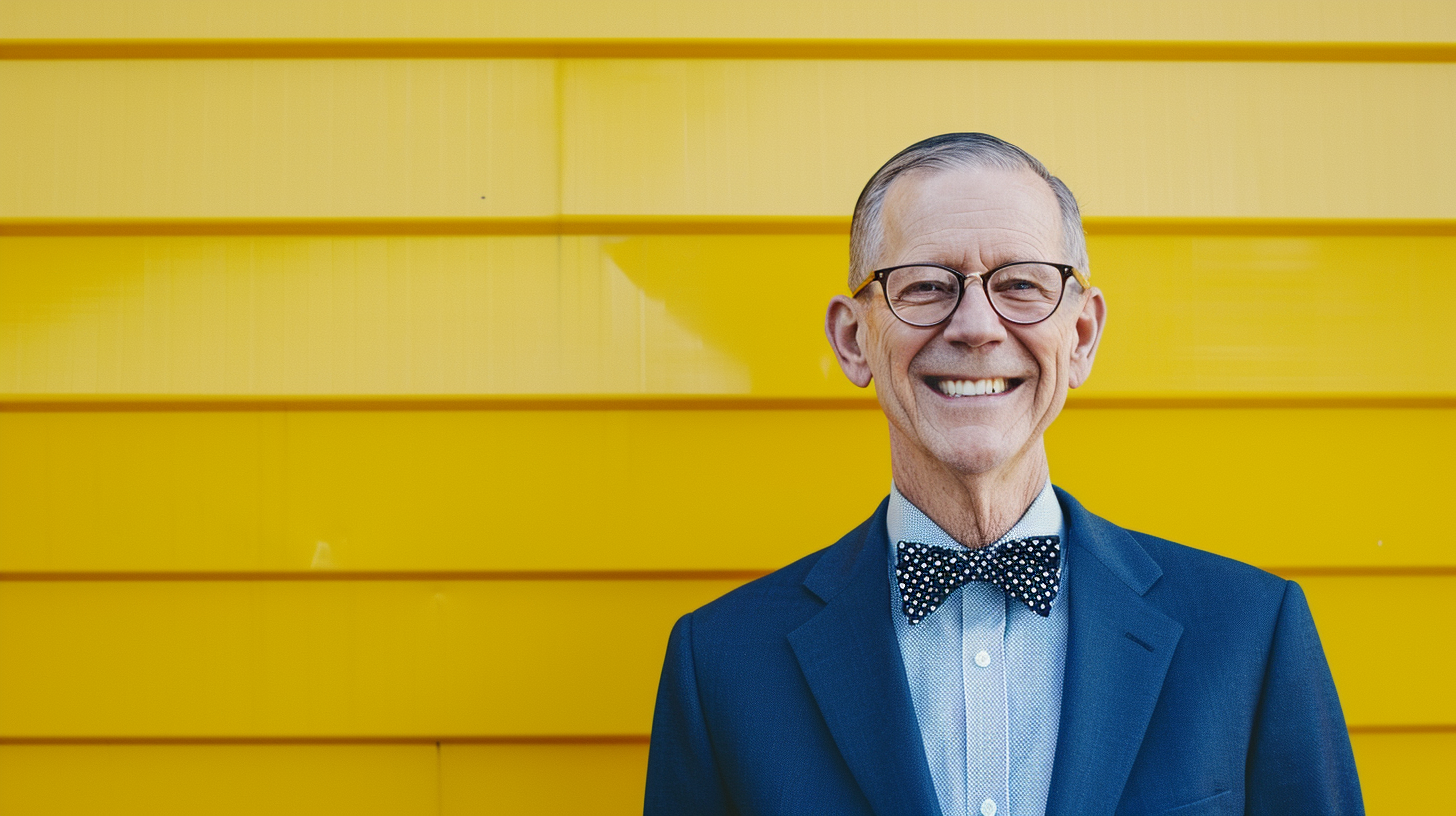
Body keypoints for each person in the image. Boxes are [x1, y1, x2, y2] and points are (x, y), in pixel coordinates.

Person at [643, 133, 1362, 816]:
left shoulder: (1251, 636)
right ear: (853, 339)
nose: (977, 326)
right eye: (926, 286)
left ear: (1080, 336)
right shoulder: (721, 667)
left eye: (1020, 284)